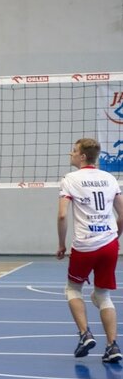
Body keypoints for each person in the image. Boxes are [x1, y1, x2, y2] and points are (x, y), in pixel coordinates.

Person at [56, 138, 123, 363]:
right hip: (109, 243)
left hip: (85, 244)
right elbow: (122, 214)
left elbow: (62, 215)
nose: (71, 154)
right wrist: (114, 238)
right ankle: (112, 346)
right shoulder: (109, 178)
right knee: (103, 295)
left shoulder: (70, 179)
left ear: (83, 156)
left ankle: (85, 334)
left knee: (73, 289)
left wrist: (61, 244)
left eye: (74, 150)